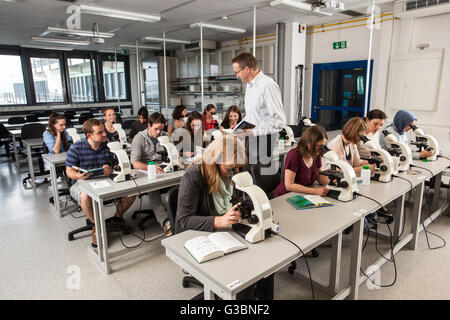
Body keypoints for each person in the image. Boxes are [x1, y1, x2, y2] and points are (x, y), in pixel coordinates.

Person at [176, 135, 274, 300]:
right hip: (205, 236)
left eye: (237, 168)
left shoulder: (235, 170)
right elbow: (182, 221)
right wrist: (219, 221)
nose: (233, 173)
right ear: (215, 159)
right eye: (229, 168)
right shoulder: (195, 175)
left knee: (267, 265)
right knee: (244, 278)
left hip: (230, 230)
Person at [65, 119, 136, 247]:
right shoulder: (76, 148)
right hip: (81, 183)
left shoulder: (107, 146)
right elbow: (69, 171)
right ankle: (96, 226)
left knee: (132, 190)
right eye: (100, 132)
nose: (104, 134)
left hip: (104, 180)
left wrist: (110, 169)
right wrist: (78, 175)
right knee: (85, 196)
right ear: (89, 135)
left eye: (104, 131)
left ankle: (117, 218)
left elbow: (113, 164)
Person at [130, 112, 172, 236]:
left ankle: (182, 216)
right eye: (156, 129)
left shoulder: (165, 135)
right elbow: (135, 163)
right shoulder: (139, 138)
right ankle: (165, 221)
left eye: (161, 129)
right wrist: (150, 167)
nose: (159, 132)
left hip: (163, 168)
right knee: (154, 187)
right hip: (146, 170)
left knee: (183, 182)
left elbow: (172, 153)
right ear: (149, 125)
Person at [232, 51, 286, 136]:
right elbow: (251, 116)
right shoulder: (249, 85)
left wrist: (254, 132)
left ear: (247, 69)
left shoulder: (268, 85)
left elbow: (279, 123)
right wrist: (238, 129)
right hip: (251, 139)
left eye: (237, 72)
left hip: (264, 141)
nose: (237, 76)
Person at [273, 125, 330, 198]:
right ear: (308, 143)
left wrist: (334, 179)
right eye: (319, 146)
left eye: (323, 146)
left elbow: (321, 179)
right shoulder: (294, 156)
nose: (322, 149)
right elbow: (289, 185)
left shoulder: (316, 155)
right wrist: (315, 191)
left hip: (302, 195)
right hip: (285, 196)